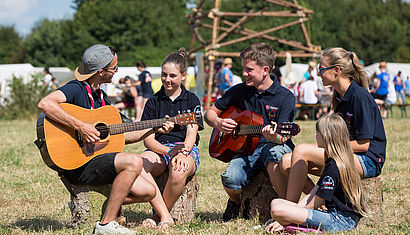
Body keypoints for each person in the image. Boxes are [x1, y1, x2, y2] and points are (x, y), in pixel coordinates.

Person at [37, 44, 174, 235]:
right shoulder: (76, 89)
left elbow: (122, 135)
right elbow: (45, 103)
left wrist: (154, 128)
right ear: (101, 72)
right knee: (134, 161)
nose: (116, 72)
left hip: (98, 160)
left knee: (148, 192)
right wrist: (81, 126)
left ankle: (110, 206)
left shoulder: (101, 96)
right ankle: (105, 224)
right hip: (78, 164)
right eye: (114, 68)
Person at [279, 48, 386, 204]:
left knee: (301, 150)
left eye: (321, 69)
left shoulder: (359, 97)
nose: (317, 74)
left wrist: (326, 147)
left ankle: (290, 211)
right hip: (345, 155)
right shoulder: (340, 96)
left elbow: (364, 145)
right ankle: (323, 204)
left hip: (368, 161)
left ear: (337, 70)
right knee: (286, 162)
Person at [204, 42, 296, 222]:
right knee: (230, 180)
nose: (244, 74)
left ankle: (287, 209)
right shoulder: (239, 90)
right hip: (246, 150)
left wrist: (274, 136)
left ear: (265, 69)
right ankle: (235, 202)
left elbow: (283, 135)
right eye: (243, 69)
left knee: (274, 155)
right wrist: (219, 122)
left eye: (249, 70)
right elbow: (209, 113)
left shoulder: (285, 97)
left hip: (274, 145)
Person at [266, 114, 367, 233]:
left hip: (339, 221)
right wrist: (289, 215)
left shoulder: (334, 167)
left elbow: (314, 204)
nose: (316, 135)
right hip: (337, 216)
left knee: (277, 210)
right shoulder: (333, 161)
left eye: (317, 132)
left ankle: (297, 226)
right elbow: (312, 195)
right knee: (276, 203)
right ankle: (294, 224)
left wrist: (285, 219)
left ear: (326, 136)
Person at [138, 48, 203, 229]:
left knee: (179, 169)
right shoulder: (153, 101)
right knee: (138, 165)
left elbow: (192, 132)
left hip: (185, 148)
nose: (167, 79)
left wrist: (183, 152)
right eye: (164, 75)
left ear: (183, 76)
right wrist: (168, 151)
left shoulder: (192, 100)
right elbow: (148, 139)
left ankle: (158, 216)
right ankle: (165, 215)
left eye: (172, 76)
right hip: (159, 148)